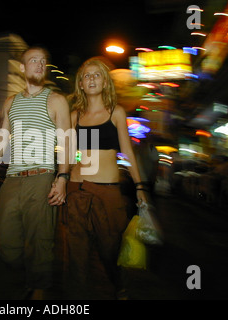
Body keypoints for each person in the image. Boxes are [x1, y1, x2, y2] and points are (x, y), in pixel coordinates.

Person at [0, 46, 71, 300]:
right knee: (6, 243)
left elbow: (67, 140)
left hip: (42, 177)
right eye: (33, 61)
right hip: (12, 179)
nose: (39, 65)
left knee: (41, 241)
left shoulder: (56, 100)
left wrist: (62, 178)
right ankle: (30, 274)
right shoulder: (11, 102)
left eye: (43, 61)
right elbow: (2, 139)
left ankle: (38, 290)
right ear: (22, 67)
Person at [57, 57, 148, 299]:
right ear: (81, 85)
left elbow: (128, 152)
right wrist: (62, 178)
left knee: (109, 249)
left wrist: (140, 187)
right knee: (76, 251)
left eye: (97, 75)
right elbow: (67, 151)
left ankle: (117, 284)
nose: (92, 79)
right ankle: (78, 297)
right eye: (87, 76)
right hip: (77, 189)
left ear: (105, 82)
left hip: (107, 192)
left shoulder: (116, 113)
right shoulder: (75, 116)